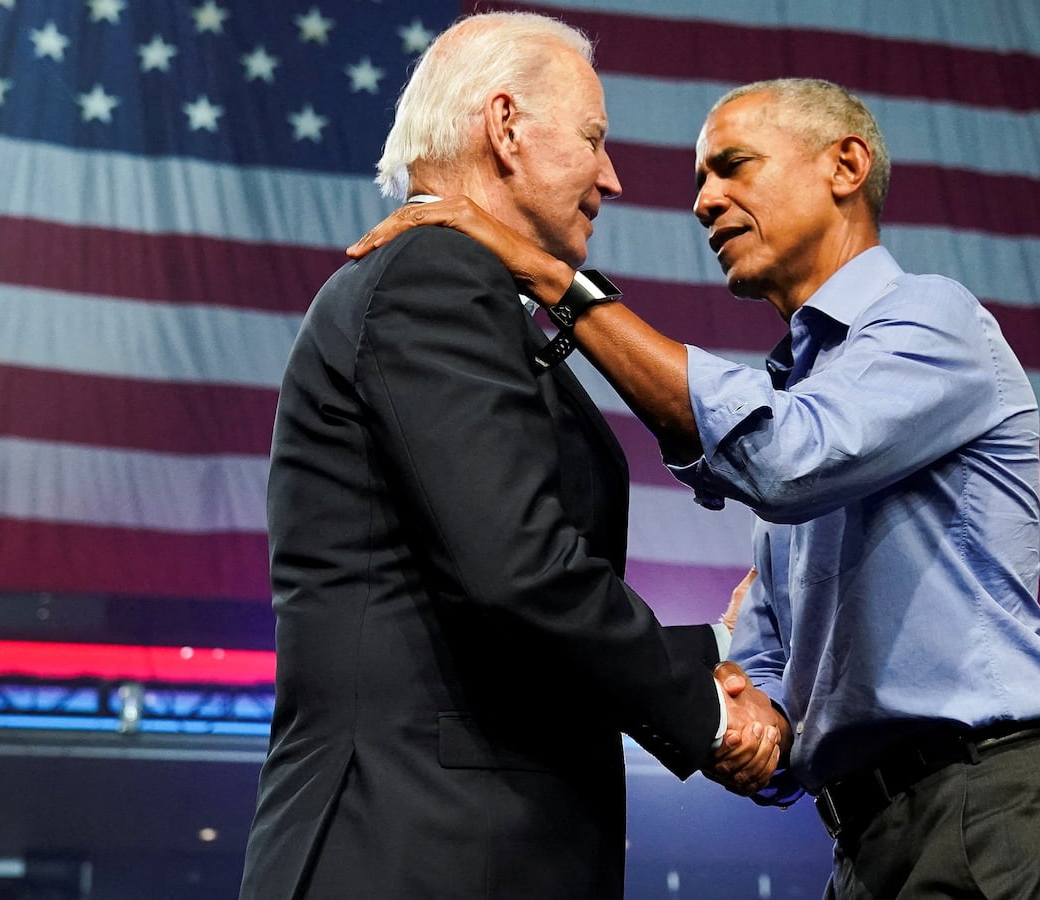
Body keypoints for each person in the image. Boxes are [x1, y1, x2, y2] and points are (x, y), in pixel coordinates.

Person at [350, 77, 1040, 899]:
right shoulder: (806, 399)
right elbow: (768, 670)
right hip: (868, 842)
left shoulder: (936, 323)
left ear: (845, 166)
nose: (703, 201)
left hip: (1001, 806)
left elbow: (785, 458)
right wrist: (729, 716)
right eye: (700, 179)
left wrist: (552, 278)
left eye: (732, 167)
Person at [238, 14, 784, 900]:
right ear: (505, 127)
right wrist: (711, 708)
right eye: (593, 139)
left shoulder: (467, 289)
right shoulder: (430, 280)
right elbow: (519, 570)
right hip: (415, 849)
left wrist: (722, 646)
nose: (610, 177)